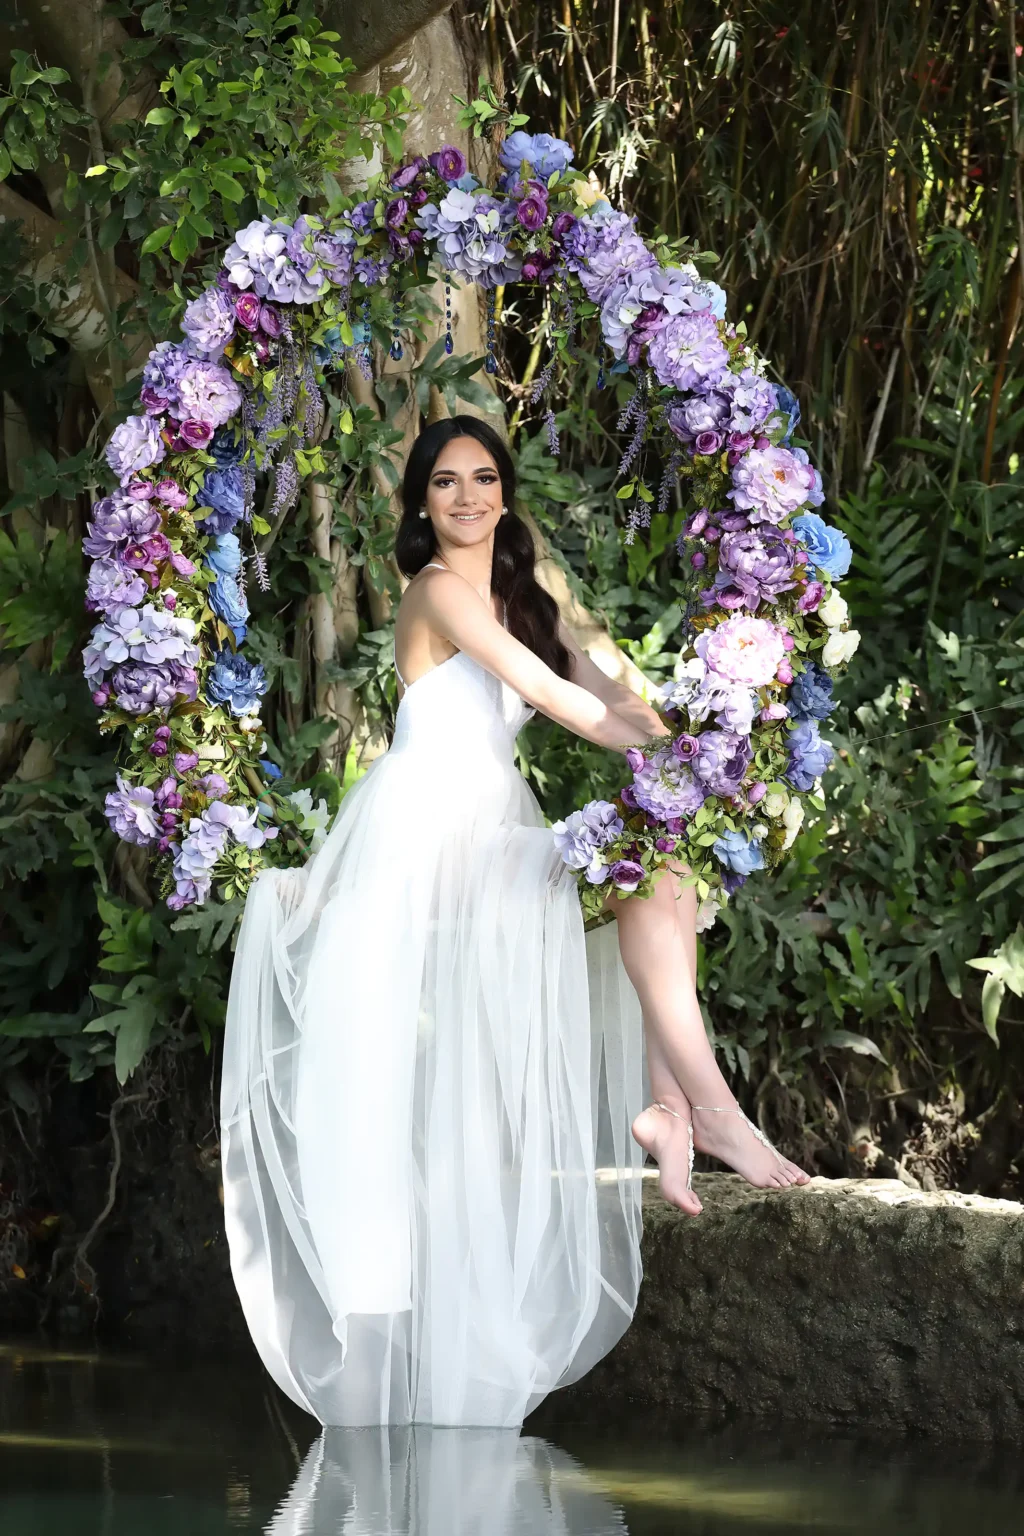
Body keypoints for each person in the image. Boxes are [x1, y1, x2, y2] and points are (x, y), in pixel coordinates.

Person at [220, 415, 809, 1431]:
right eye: (445, 482)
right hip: (427, 842)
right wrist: (671, 765)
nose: (468, 497)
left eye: (484, 477)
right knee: (647, 856)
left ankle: (671, 1110)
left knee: (663, 868)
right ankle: (710, 1113)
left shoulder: (532, 593)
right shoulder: (434, 591)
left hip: (493, 833)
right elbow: (549, 693)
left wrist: (694, 750)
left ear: (505, 489)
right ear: (420, 501)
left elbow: (612, 688)